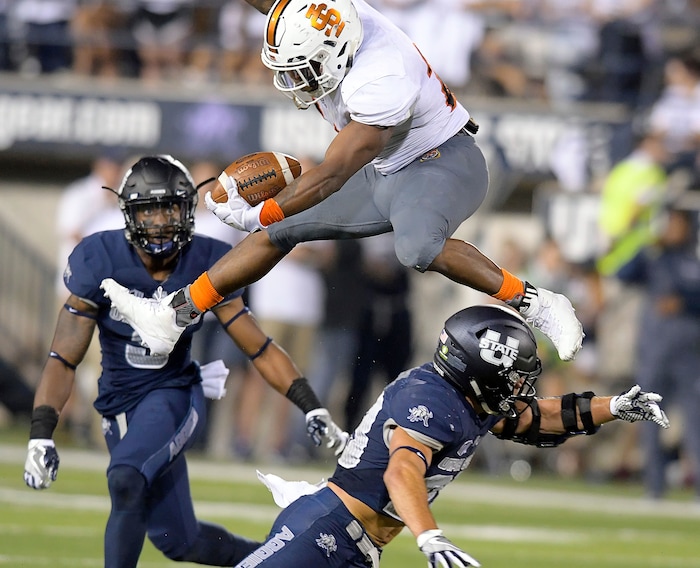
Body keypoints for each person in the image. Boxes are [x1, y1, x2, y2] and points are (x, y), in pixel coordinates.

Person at [99, 0, 584, 369]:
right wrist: (269, 221)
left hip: (441, 162)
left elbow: (332, 174)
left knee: (415, 248)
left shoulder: (381, 78)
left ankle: (537, 302)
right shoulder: (322, 16)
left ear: (338, 55)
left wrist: (263, 209)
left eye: (304, 70)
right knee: (275, 235)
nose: (296, 81)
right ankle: (173, 316)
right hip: (387, 167)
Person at [22, 155, 347, 568]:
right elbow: (63, 358)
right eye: (149, 209)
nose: (160, 220)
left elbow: (257, 345)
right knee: (181, 542)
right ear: (128, 214)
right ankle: (292, 562)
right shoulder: (99, 256)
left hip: (173, 392)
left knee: (125, 478)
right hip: (118, 404)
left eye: (170, 207)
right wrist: (40, 432)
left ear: (188, 210)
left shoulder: (205, 257)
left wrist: (309, 403)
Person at [233, 304, 669, 568]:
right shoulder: (433, 399)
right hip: (324, 531)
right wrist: (430, 537)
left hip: (356, 545)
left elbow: (536, 418)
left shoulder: (473, 399)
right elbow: (401, 473)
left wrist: (613, 408)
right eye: (514, 377)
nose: (520, 387)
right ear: (480, 370)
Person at [615, 205, 700, 500]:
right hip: (654, 350)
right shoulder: (654, 258)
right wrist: (643, 242)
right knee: (649, 416)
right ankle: (654, 485)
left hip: (689, 353)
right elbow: (622, 273)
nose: (671, 229)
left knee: (694, 420)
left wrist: (685, 304)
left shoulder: (694, 259)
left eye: (677, 224)